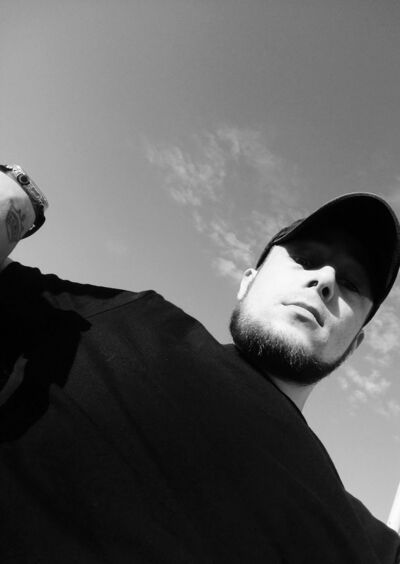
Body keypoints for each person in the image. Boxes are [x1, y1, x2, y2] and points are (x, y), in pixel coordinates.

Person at [0, 164, 399, 563]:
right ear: (247, 281)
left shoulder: (368, 544)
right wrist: (18, 195)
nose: (325, 280)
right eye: (305, 258)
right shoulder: (120, 318)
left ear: (356, 343)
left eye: (351, 284)